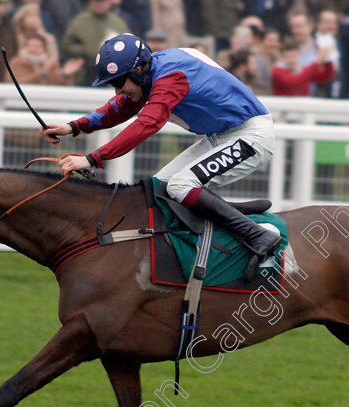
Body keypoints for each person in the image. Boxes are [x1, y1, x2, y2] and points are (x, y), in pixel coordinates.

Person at [40, 34, 280, 278]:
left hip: (251, 136)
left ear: (138, 70)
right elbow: (121, 107)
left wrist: (92, 158)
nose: (117, 90)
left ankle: (258, 235)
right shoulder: (150, 72)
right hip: (222, 136)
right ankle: (223, 219)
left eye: (119, 82)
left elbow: (146, 125)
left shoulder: (171, 77)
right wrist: (74, 127)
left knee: (180, 185)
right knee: (160, 188)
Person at [61, 0, 129, 85]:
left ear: (109, 3)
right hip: (85, 70)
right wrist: (84, 51)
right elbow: (67, 45)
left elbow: (128, 44)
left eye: (103, 2)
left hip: (112, 71)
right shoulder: (79, 21)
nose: (99, 5)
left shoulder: (118, 23)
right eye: (96, 2)